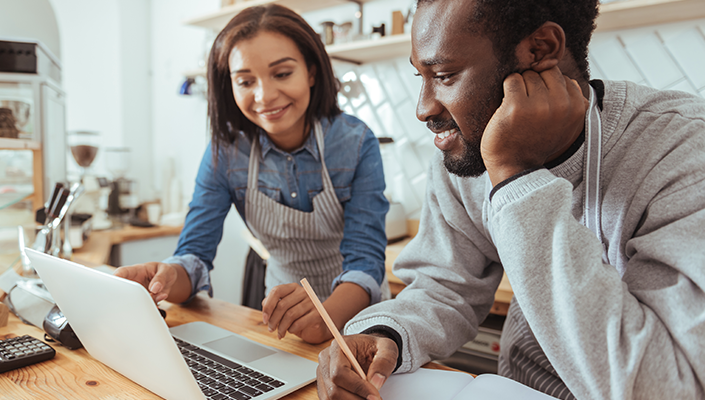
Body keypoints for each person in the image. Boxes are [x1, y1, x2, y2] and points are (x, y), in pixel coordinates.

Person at [316, 0, 705, 399]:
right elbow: (446, 285)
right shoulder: (465, 149)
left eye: (446, 75)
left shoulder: (684, 149)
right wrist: (386, 333)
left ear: (540, 50)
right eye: (421, 76)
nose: (423, 108)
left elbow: (666, 385)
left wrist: (514, 175)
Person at [114, 4, 389, 345]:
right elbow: (195, 256)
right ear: (229, 85)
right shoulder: (225, 152)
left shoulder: (354, 142)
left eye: (283, 73)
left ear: (312, 72)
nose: (264, 96)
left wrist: (326, 319)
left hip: (356, 319)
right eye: (246, 81)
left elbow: (366, 262)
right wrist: (167, 277)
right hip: (281, 324)